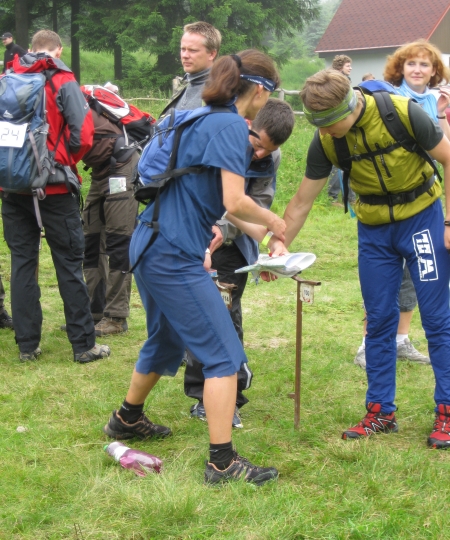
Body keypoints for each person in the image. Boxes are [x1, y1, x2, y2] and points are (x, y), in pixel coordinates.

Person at [103, 50, 288, 485]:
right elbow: (234, 200)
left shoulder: (202, 116)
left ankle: (126, 419)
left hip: (149, 242)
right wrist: (275, 221)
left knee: (166, 338)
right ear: (261, 90)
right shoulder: (230, 126)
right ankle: (222, 462)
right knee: (223, 355)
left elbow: (220, 202)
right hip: (173, 254)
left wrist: (265, 236)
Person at [276, 68, 450, 449]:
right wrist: (279, 246)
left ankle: (448, 410)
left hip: (422, 220)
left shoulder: (402, 113)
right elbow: (302, 201)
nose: (324, 132)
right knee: (379, 319)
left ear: (349, 107)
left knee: (437, 319)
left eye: (329, 123)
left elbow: (449, 158)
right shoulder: (326, 140)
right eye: (318, 125)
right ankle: (380, 411)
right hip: (374, 231)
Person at [1, 30, 110, 363]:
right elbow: (84, 134)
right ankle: (83, 345)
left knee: (22, 263)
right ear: (58, 50)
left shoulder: (8, 78)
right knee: (69, 263)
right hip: (56, 188)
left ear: (31, 48)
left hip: (13, 187)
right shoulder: (62, 80)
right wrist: (62, 163)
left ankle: (27, 345)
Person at [186, 98, 295, 427]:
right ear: (249, 125)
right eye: (257, 145)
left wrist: (266, 239)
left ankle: (229, 397)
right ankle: (203, 395)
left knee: (226, 314)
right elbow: (200, 192)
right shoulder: (220, 137)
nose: (260, 154)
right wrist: (209, 231)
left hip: (234, 245)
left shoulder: (271, 156)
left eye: (269, 150)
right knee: (200, 317)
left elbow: (257, 203)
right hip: (197, 235)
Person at [354, 40, 450, 369]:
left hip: (424, 201)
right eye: (412, 64)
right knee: (383, 282)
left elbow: (446, 149)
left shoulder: (433, 101)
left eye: (425, 65)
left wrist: (441, 112)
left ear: (434, 71)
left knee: (416, 275)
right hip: (386, 205)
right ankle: (368, 343)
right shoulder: (390, 98)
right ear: (401, 68)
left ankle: (401, 339)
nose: (418, 70)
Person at [81, 87, 140, 337]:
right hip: (101, 170)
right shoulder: (52, 104)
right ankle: (95, 311)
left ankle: (116, 316)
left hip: (122, 165)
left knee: (118, 241)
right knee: (91, 240)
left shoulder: (65, 103)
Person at [161, 21, 221, 114]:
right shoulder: (184, 85)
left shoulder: (220, 92)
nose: (185, 55)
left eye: (192, 50)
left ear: (212, 54)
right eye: (183, 49)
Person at [328, 55, 355, 206]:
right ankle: (332, 198)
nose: (350, 68)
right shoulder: (335, 82)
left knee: (350, 160)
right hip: (337, 123)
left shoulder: (345, 81)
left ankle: (351, 197)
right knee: (338, 161)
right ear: (340, 67)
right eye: (347, 65)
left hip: (347, 123)